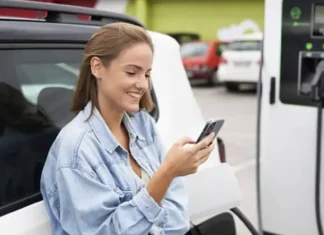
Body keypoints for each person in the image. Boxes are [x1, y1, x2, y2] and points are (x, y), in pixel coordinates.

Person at [40, 22, 216, 235]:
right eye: (132, 72)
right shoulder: (76, 150)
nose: (142, 84)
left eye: (147, 74)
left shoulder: (143, 124)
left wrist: (169, 175)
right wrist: (168, 172)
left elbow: (178, 218)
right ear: (97, 67)